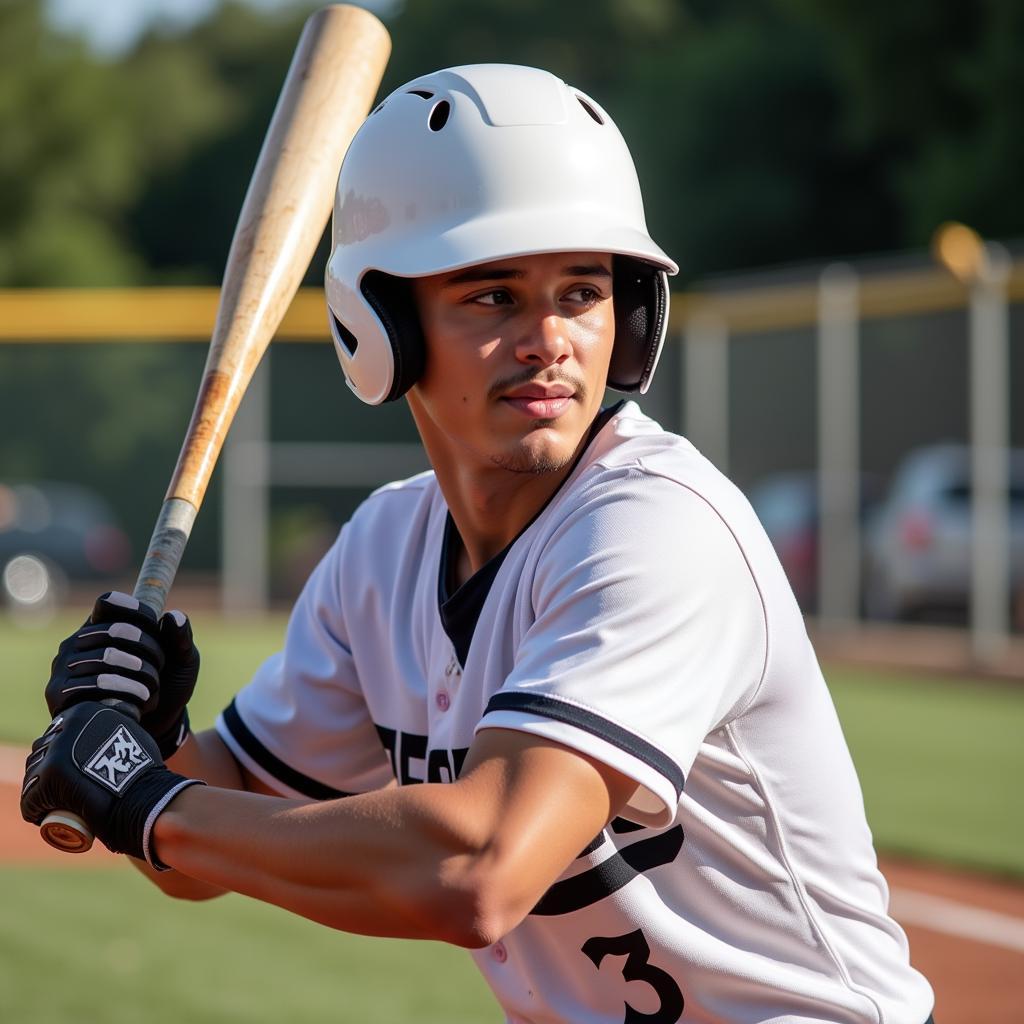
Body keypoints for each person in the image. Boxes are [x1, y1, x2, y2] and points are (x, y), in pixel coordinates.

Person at [22, 64, 935, 1024]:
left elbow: (476, 870)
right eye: (493, 295)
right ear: (382, 327)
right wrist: (149, 751)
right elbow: (211, 845)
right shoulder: (384, 548)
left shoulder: (656, 530)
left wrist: (152, 803)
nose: (550, 339)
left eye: (582, 292)